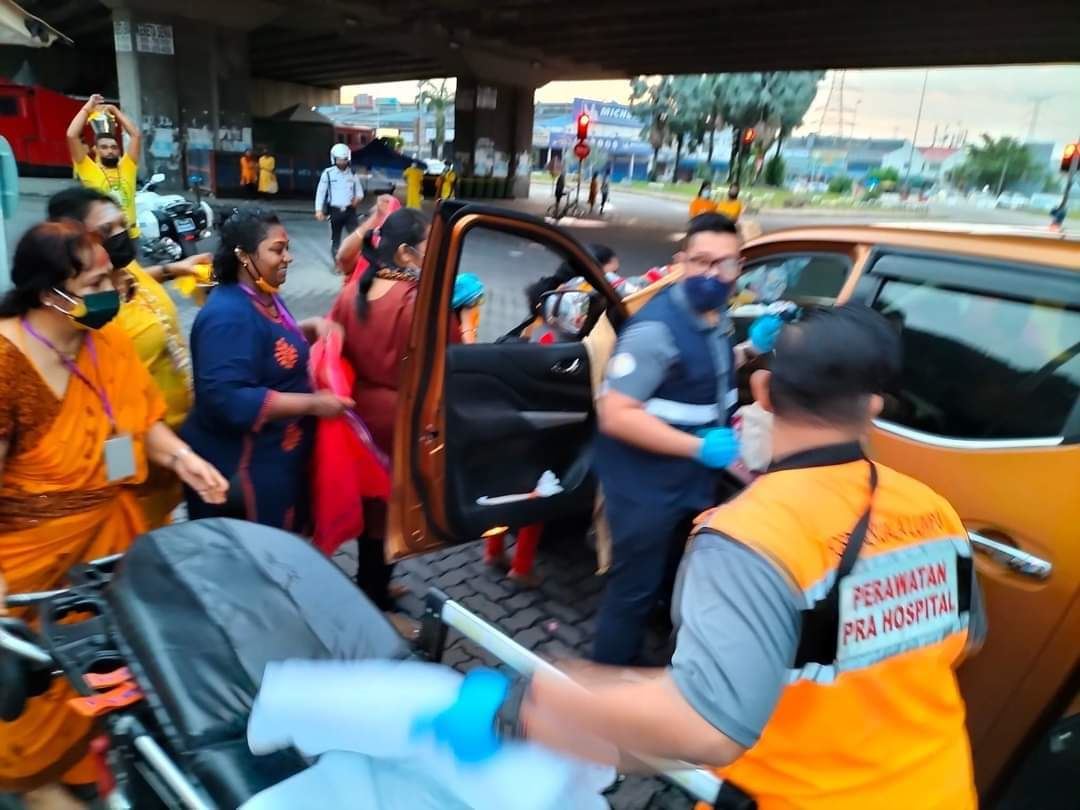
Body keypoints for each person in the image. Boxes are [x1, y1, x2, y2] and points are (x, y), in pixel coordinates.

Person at [423, 304, 985, 810]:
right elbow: (966, 640)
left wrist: (531, 706)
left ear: (762, 392)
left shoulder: (751, 536)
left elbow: (705, 725)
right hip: (942, 785)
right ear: (871, 407)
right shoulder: (933, 510)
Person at [0, 221, 227, 805]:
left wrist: (183, 458)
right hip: (26, 583)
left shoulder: (104, 340)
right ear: (50, 292)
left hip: (104, 557)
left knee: (106, 687)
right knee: (32, 725)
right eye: (99, 281)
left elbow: (138, 422)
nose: (115, 290)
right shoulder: (6, 363)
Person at [590, 213, 782, 665]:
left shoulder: (713, 317)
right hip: (645, 486)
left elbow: (700, 375)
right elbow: (615, 415)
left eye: (726, 265)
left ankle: (655, 652)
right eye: (701, 262)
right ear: (680, 263)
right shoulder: (655, 330)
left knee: (667, 573)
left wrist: (750, 349)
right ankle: (610, 689)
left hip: (688, 481)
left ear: (739, 269)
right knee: (632, 592)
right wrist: (698, 447)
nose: (713, 275)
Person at [47, 186, 213, 527]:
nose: (120, 235)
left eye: (122, 223)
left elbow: (137, 277)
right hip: (136, 459)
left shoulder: (125, 268)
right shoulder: (88, 308)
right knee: (130, 537)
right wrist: (121, 477)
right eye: (106, 230)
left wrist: (174, 269)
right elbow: (105, 418)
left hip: (174, 443)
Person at [181, 207, 350, 532]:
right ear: (244, 256)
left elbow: (265, 344)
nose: (288, 257)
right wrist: (315, 404)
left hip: (278, 455)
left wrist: (310, 328)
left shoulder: (263, 294)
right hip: (244, 466)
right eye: (277, 250)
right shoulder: (226, 316)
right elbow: (228, 398)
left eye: (287, 248)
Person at [328, 209, 456, 613]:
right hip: (401, 420)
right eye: (426, 247)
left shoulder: (352, 293)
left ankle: (371, 586)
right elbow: (452, 352)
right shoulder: (419, 302)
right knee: (390, 514)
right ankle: (374, 595)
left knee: (372, 511)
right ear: (404, 254)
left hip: (359, 417)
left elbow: (334, 347)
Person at [66, 93, 141, 239]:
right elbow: (71, 135)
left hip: (131, 236)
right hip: (102, 239)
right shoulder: (88, 168)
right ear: (97, 150)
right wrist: (88, 107)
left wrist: (115, 110)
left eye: (114, 147)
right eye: (104, 147)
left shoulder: (127, 166)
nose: (110, 151)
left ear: (119, 150)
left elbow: (135, 135)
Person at [315, 143, 363, 259]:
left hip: (350, 211)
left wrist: (358, 198)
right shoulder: (328, 173)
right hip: (334, 211)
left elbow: (360, 192)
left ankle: (356, 261)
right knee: (335, 239)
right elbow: (321, 192)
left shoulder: (352, 174)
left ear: (348, 159)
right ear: (334, 159)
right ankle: (337, 263)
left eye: (344, 159)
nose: (342, 162)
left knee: (356, 236)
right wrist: (318, 210)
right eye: (339, 160)